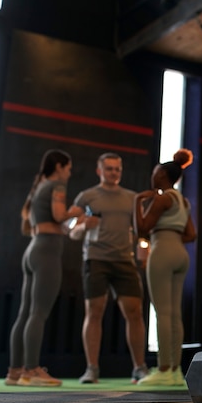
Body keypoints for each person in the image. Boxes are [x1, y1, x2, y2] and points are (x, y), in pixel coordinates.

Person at [6, 149, 83, 386]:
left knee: (26, 313)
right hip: (47, 252)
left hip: (33, 249)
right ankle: (32, 371)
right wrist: (77, 211)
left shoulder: (38, 187)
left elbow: (41, 224)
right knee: (39, 313)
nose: (69, 173)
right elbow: (60, 215)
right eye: (68, 168)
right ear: (59, 166)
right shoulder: (56, 186)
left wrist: (72, 225)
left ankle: (15, 371)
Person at [69, 152, 148, 384]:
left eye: (117, 169)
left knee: (134, 313)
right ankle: (91, 369)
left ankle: (139, 367)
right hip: (96, 259)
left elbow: (141, 233)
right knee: (94, 312)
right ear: (99, 170)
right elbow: (71, 232)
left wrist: (144, 254)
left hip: (125, 261)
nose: (114, 173)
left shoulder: (132, 198)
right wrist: (83, 226)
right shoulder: (87, 197)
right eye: (109, 169)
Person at [133, 149, 196, 386]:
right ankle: (175, 370)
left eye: (154, 172)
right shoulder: (183, 201)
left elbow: (141, 228)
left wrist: (137, 202)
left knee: (162, 312)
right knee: (175, 313)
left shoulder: (161, 198)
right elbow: (192, 234)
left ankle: (163, 369)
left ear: (161, 174)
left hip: (162, 250)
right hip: (180, 252)